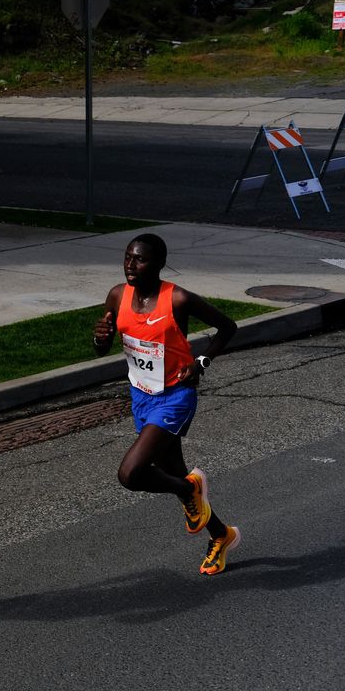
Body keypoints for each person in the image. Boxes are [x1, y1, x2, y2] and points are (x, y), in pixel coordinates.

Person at [93, 233, 240, 576]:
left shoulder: (177, 299)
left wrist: (201, 361)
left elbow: (227, 327)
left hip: (174, 396)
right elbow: (102, 347)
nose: (131, 265)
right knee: (172, 470)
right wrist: (99, 338)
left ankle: (190, 486)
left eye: (140, 259)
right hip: (141, 395)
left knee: (131, 474)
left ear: (158, 264)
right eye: (128, 257)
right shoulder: (118, 295)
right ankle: (222, 536)